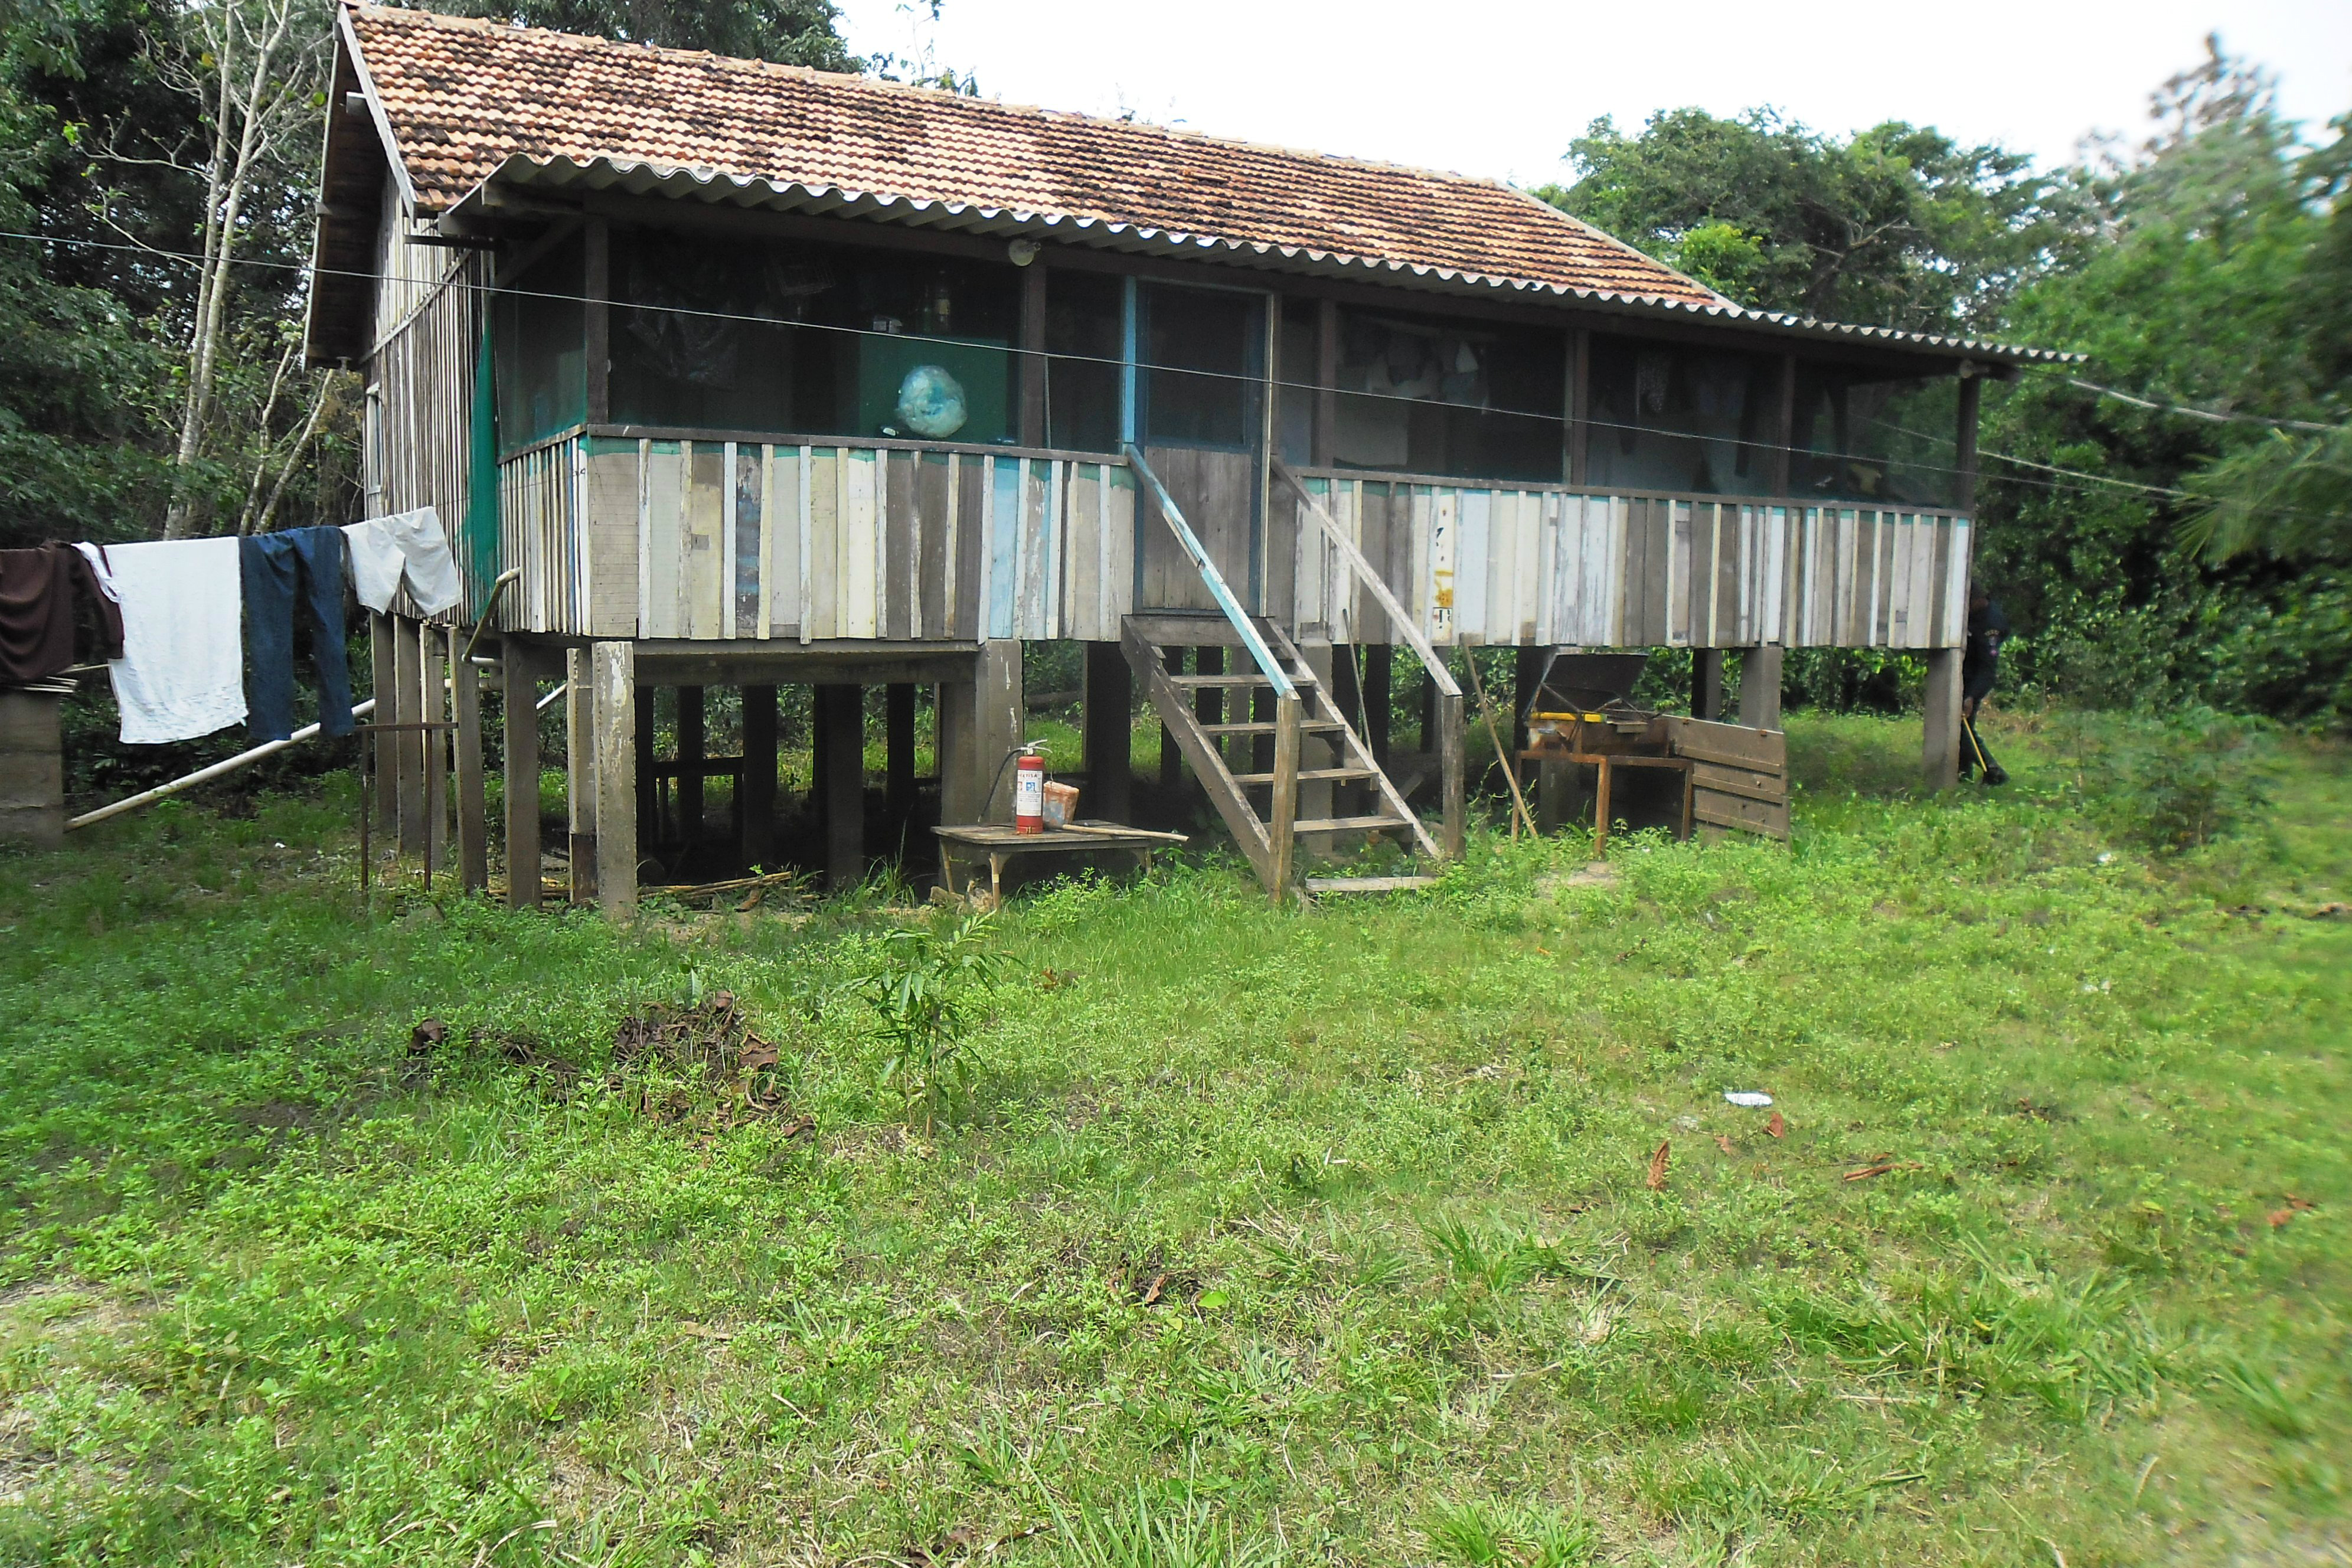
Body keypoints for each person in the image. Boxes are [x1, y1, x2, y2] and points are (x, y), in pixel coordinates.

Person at [1958, 584, 2009, 786]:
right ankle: (1963, 774)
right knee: (1961, 728)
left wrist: (1971, 696)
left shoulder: (1991, 625)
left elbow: (1988, 668)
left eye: (1969, 603)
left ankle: (1993, 769)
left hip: (1976, 679)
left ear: (1980, 600)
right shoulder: (1973, 614)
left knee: (1961, 728)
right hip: (1962, 673)